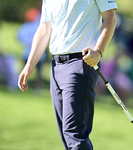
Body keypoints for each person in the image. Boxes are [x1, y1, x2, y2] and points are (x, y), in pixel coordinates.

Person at [18, 0, 117, 150]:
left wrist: (98, 51)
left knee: (75, 135)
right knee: (66, 135)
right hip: (56, 64)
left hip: (80, 62)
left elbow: (110, 16)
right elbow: (45, 28)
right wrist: (30, 64)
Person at [18, 7, 47, 89]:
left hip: (40, 54)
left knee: (39, 72)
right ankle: (24, 85)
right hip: (26, 53)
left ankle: (38, 88)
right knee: (25, 70)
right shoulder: (25, 26)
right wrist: (28, 42)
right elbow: (19, 36)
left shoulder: (39, 25)